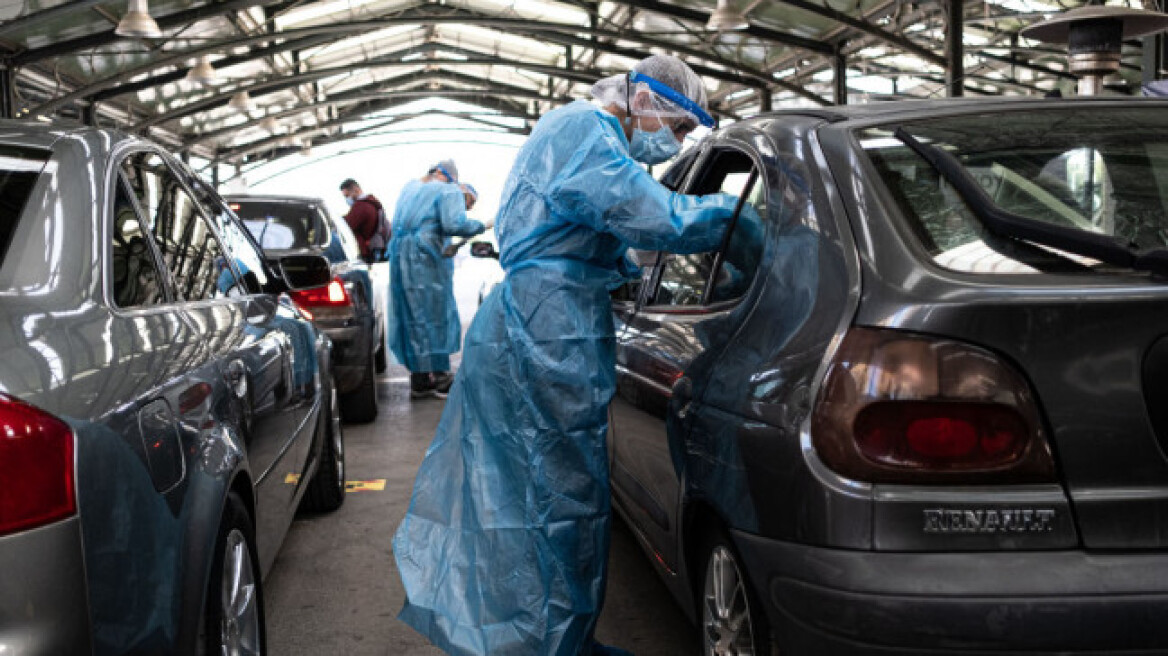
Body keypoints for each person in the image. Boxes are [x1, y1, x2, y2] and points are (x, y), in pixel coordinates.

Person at [393, 55, 740, 655]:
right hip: (548, 329)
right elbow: (652, 215)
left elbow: (590, 227)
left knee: (544, 493)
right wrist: (740, 218)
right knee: (562, 496)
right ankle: (556, 644)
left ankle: (558, 638)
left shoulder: (588, 134)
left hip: (547, 318)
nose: (675, 142)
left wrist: (621, 267)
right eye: (679, 127)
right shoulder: (584, 132)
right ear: (645, 100)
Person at [387, 159, 491, 399]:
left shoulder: (409, 188)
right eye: (468, 203)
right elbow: (454, 223)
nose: (467, 207)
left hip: (401, 260)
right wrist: (480, 226)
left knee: (412, 317)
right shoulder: (448, 190)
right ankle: (441, 376)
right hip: (426, 261)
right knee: (434, 316)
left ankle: (420, 377)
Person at [339, 178, 386, 261]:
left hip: (364, 250)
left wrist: (336, 220)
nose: (346, 199)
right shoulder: (372, 203)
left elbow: (346, 227)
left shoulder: (361, 207)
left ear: (356, 190)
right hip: (374, 247)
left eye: (347, 195)